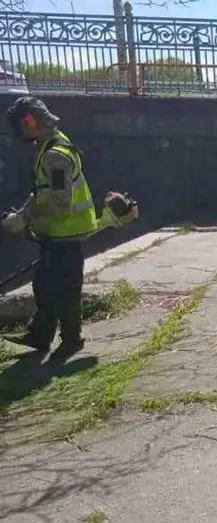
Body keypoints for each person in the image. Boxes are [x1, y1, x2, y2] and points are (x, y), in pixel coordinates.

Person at [2, 97, 100, 357]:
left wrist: (24, 219)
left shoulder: (55, 156)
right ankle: (40, 336)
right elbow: (42, 194)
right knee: (44, 286)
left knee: (65, 289)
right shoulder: (50, 146)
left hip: (66, 234)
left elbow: (60, 205)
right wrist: (24, 214)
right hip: (55, 234)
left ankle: (71, 341)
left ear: (30, 122)